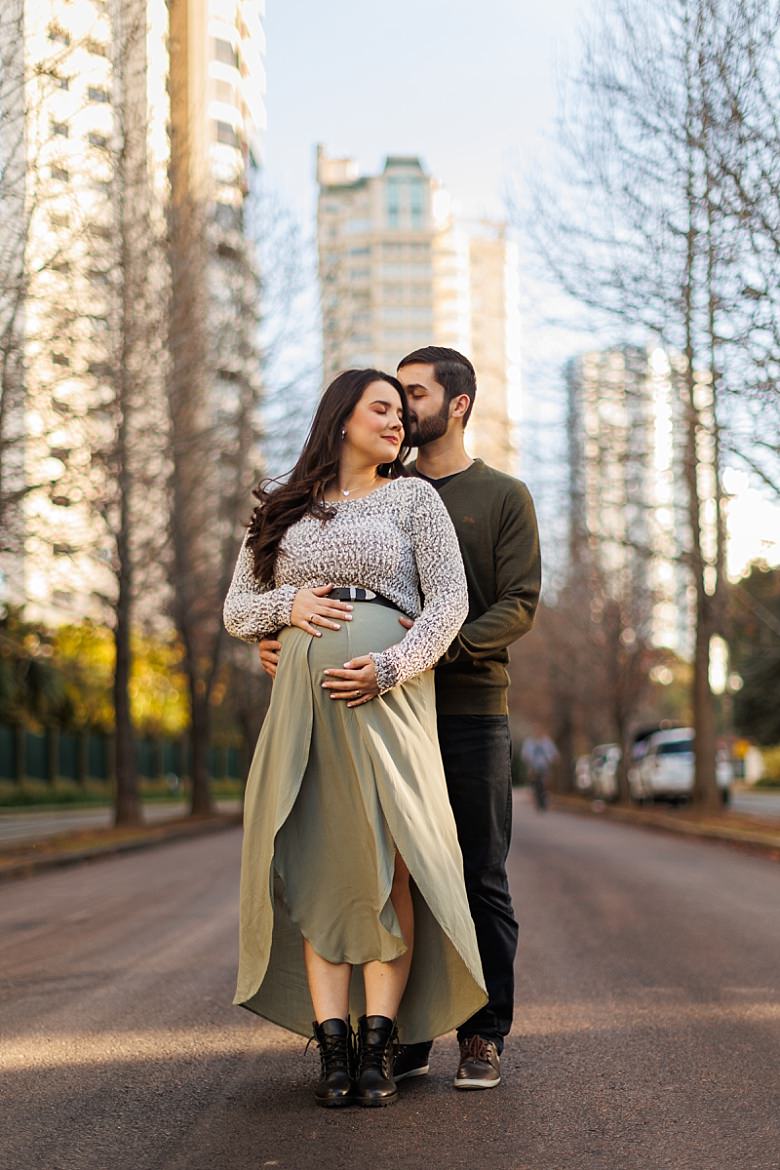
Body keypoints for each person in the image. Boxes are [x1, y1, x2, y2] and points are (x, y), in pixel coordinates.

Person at [260, 348, 541, 1091]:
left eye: (413, 394)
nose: (402, 409)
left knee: (473, 871)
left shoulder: (498, 495)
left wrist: (409, 654)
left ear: (457, 405)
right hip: (365, 707)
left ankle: (482, 1035)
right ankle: (403, 1035)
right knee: (386, 869)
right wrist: (285, 639)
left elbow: (516, 604)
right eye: (388, 398)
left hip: (463, 707)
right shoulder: (381, 490)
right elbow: (285, 581)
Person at [223, 368, 486, 1110]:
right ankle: (332, 1049)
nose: (397, 422)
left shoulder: (413, 498)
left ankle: (380, 1046)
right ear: (342, 417)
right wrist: (289, 603)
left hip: (389, 701)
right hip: (303, 708)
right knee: (319, 863)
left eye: (403, 411)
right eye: (382, 408)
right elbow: (237, 611)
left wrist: (393, 666)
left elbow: (450, 603)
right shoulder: (282, 505)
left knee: (393, 858)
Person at [521, 728, 559, 811]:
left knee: (545, 785)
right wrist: (528, 764)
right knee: (535, 785)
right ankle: (538, 802)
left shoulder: (547, 741)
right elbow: (524, 755)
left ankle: (544, 801)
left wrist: (552, 760)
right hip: (533, 767)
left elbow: (554, 754)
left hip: (545, 766)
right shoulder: (529, 742)